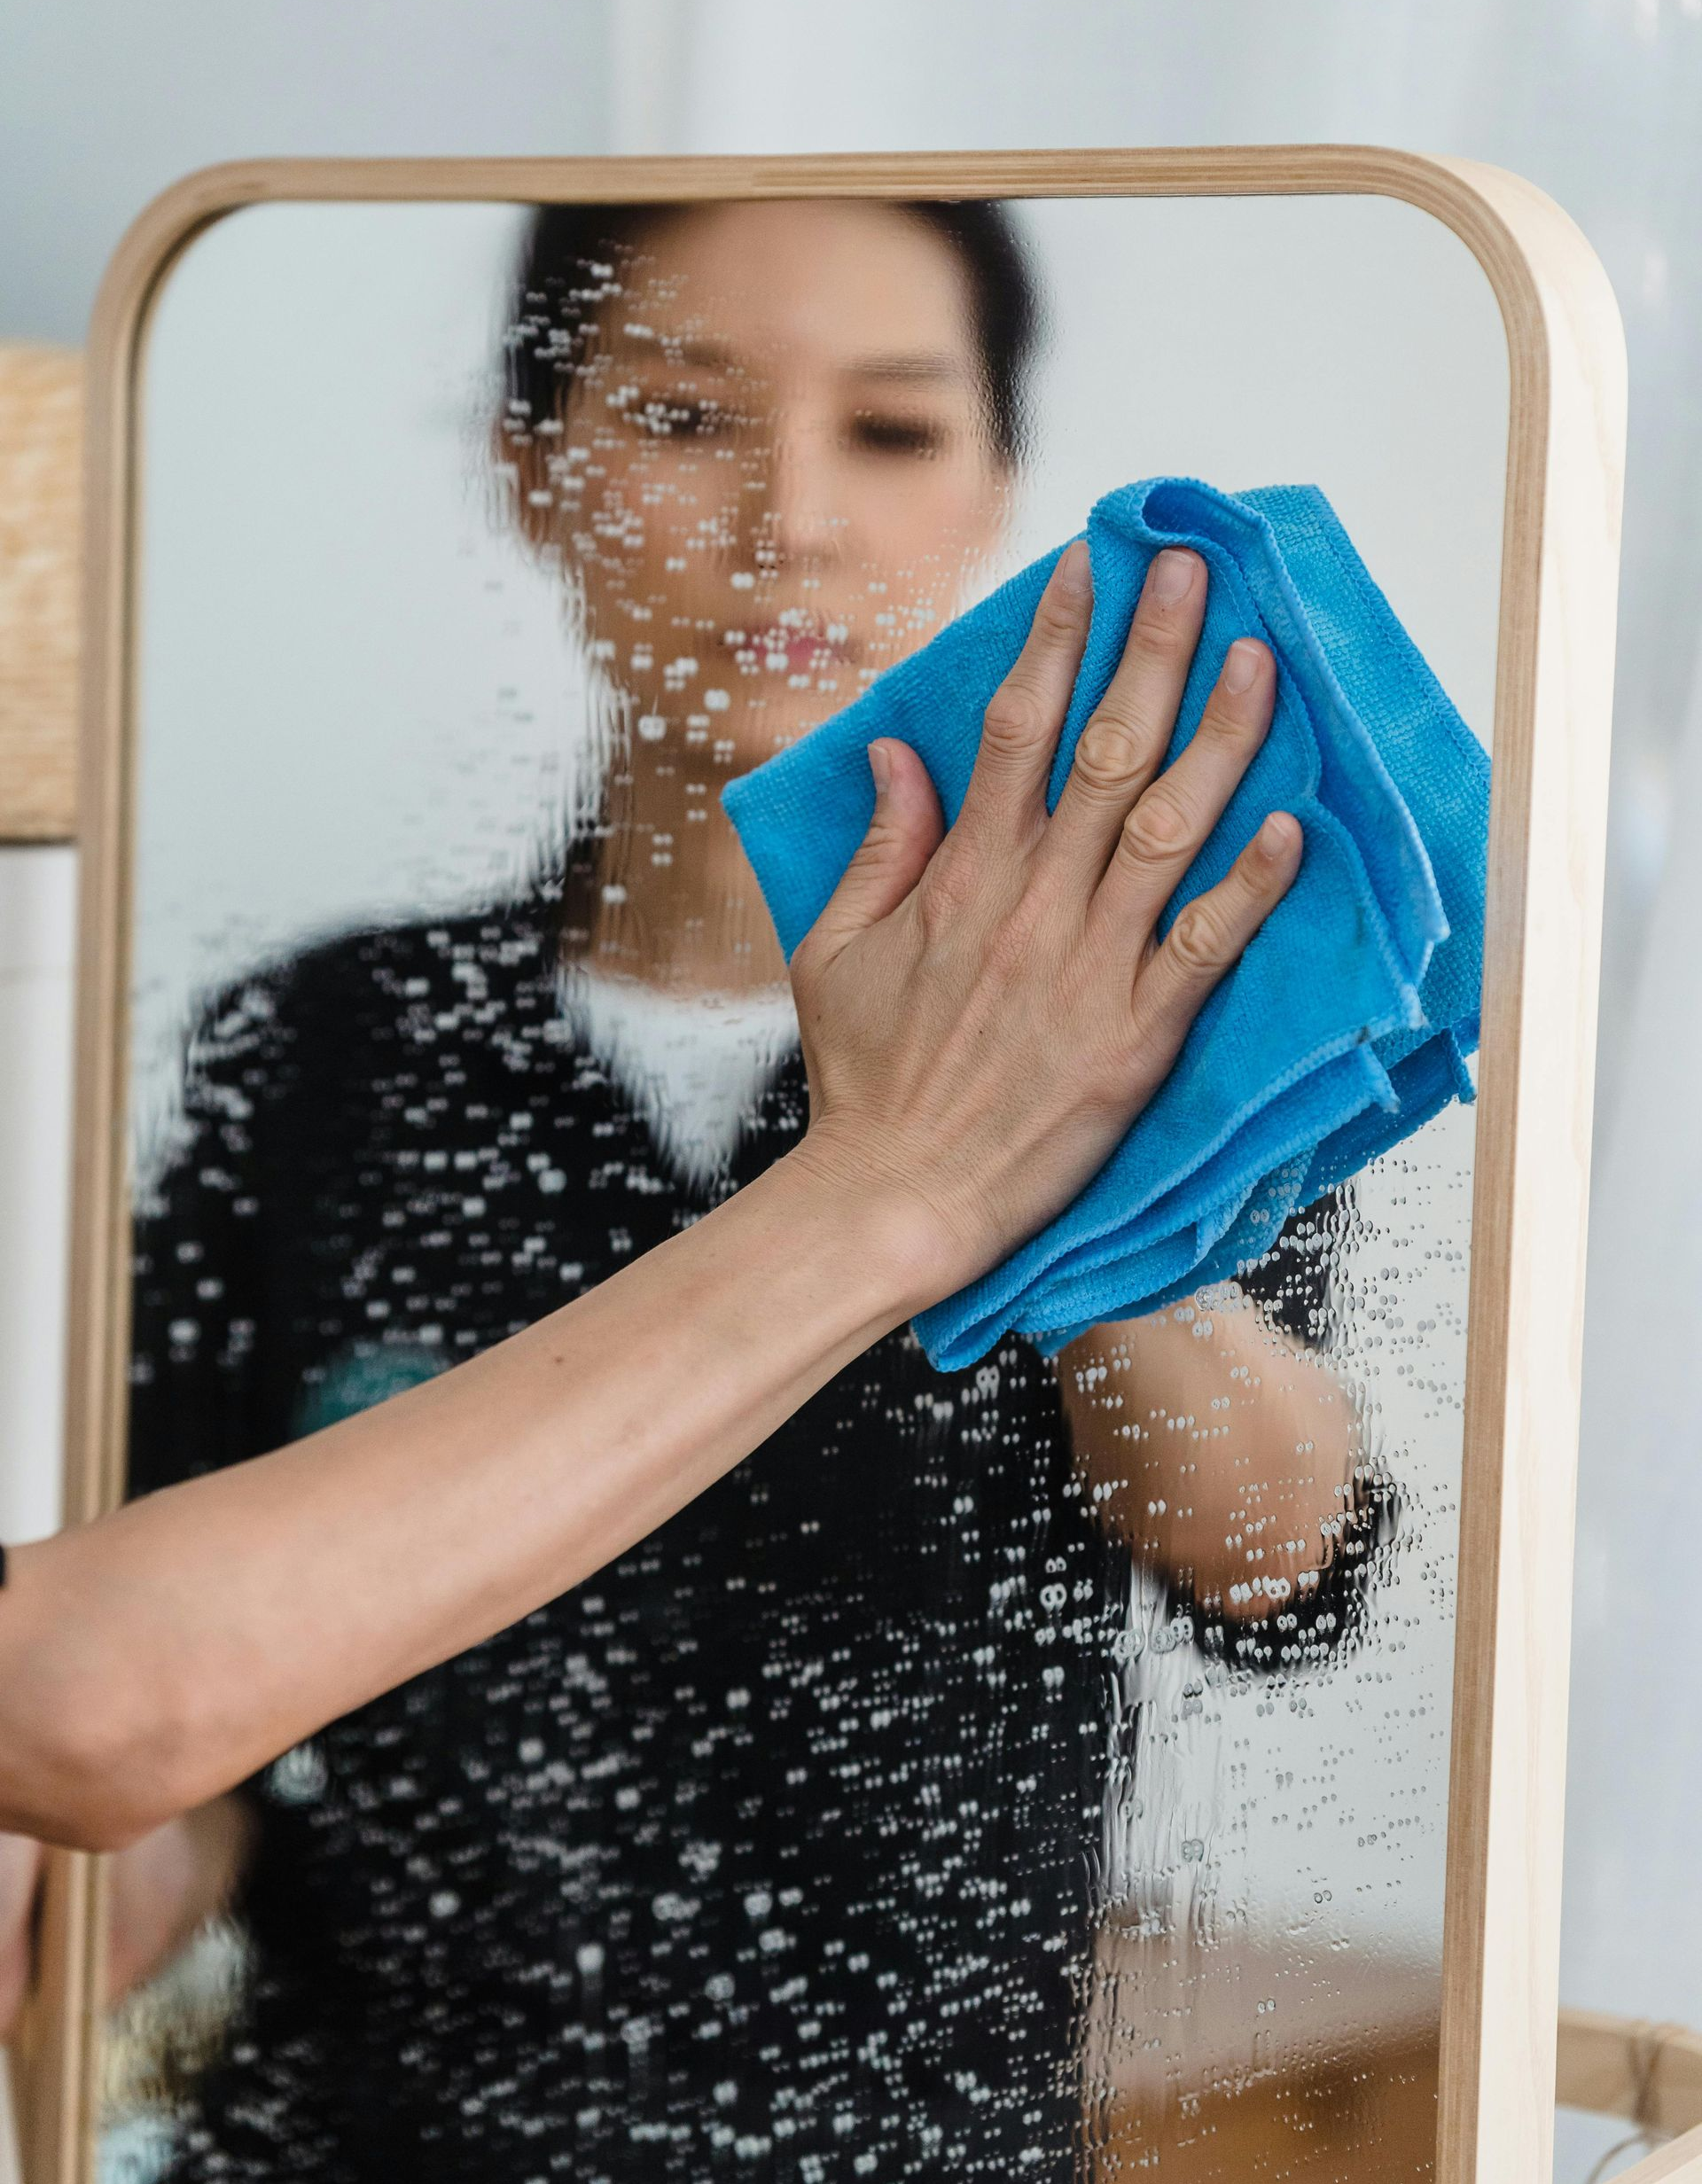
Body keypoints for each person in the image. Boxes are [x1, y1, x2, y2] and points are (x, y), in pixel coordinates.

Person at [0, 199, 1376, 2179]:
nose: (789, 520)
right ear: (532, 459)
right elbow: (168, 1661)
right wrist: (108, 1877)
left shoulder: (1143, 1035)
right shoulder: (322, 1050)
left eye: (890, 433)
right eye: (680, 417)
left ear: (999, 487)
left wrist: (1080, 1148)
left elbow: (1277, 1561)